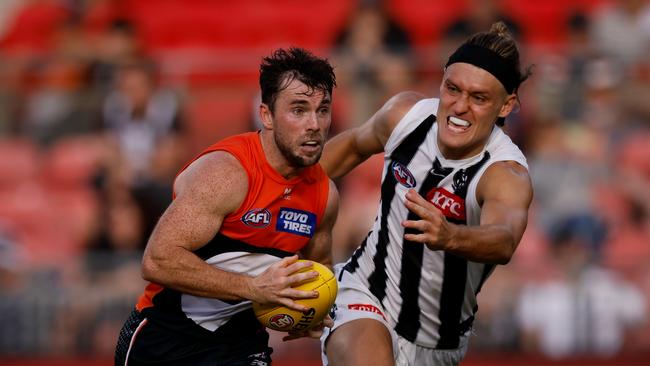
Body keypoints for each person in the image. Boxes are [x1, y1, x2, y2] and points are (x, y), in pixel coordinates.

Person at [320, 22, 533, 366]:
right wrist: (276, 188)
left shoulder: (504, 173)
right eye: (453, 89)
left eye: (479, 98)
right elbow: (349, 148)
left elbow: (504, 239)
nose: (460, 106)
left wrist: (450, 235)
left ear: (506, 106)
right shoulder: (406, 116)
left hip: (438, 346)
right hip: (363, 295)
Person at [114, 47, 339, 365]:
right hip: (164, 340)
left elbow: (319, 272)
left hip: (242, 344)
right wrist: (253, 288)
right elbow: (157, 261)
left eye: (323, 110)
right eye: (299, 110)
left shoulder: (324, 195)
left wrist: (312, 311)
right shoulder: (227, 174)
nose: (314, 124)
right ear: (266, 115)